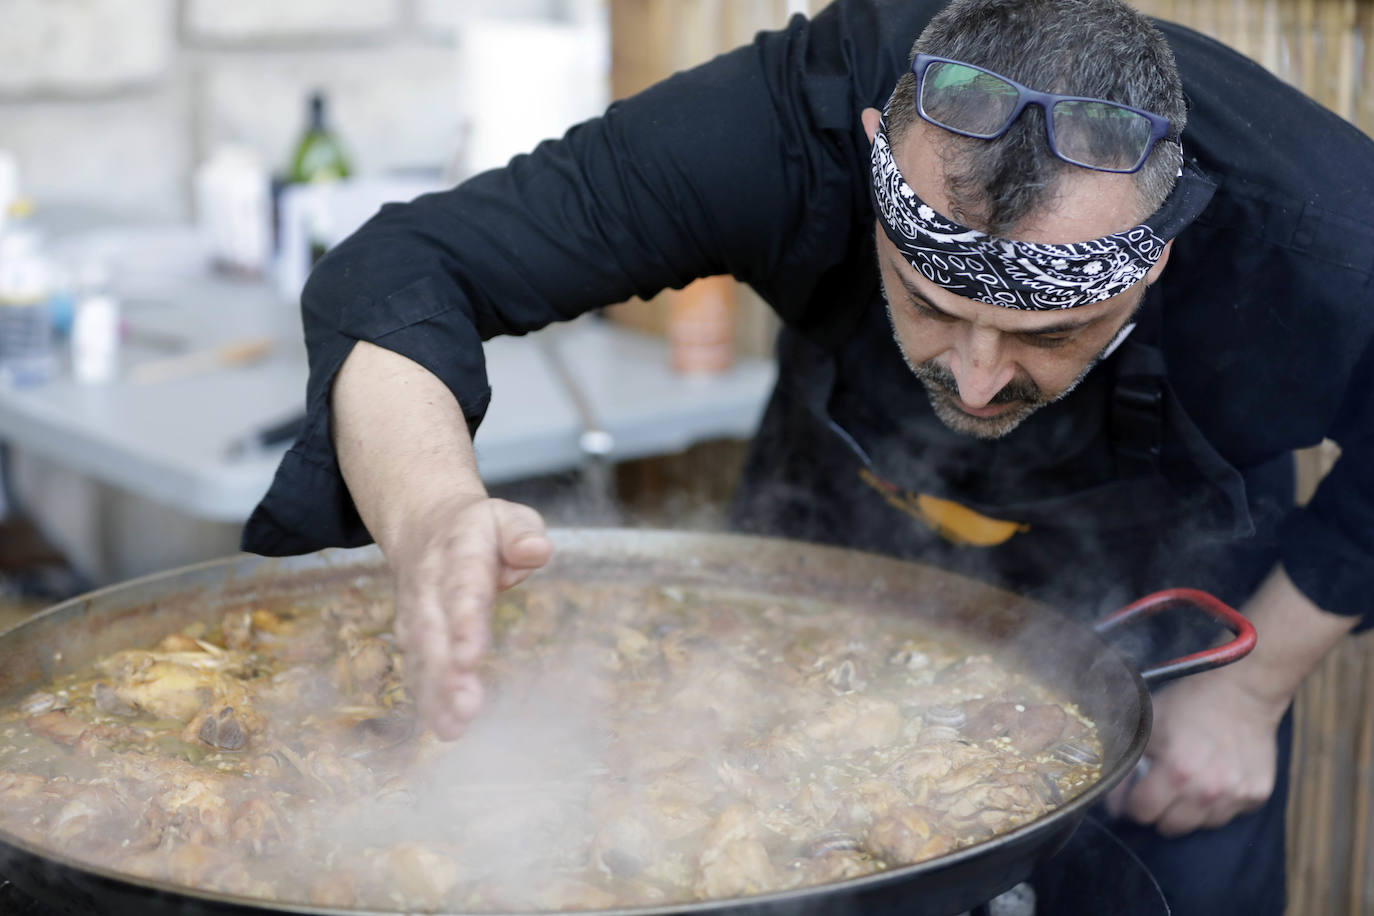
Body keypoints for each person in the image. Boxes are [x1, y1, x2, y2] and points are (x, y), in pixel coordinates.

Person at [242, 1, 1374, 913]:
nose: (976, 381)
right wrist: (435, 506)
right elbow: (407, 265)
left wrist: (1256, 678)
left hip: (1172, 591)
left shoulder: (1325, 234)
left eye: (1048, 335)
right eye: (932, 308)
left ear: (1161, 250)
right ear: (874, 161)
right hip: (835, 519)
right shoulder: (792, 116)